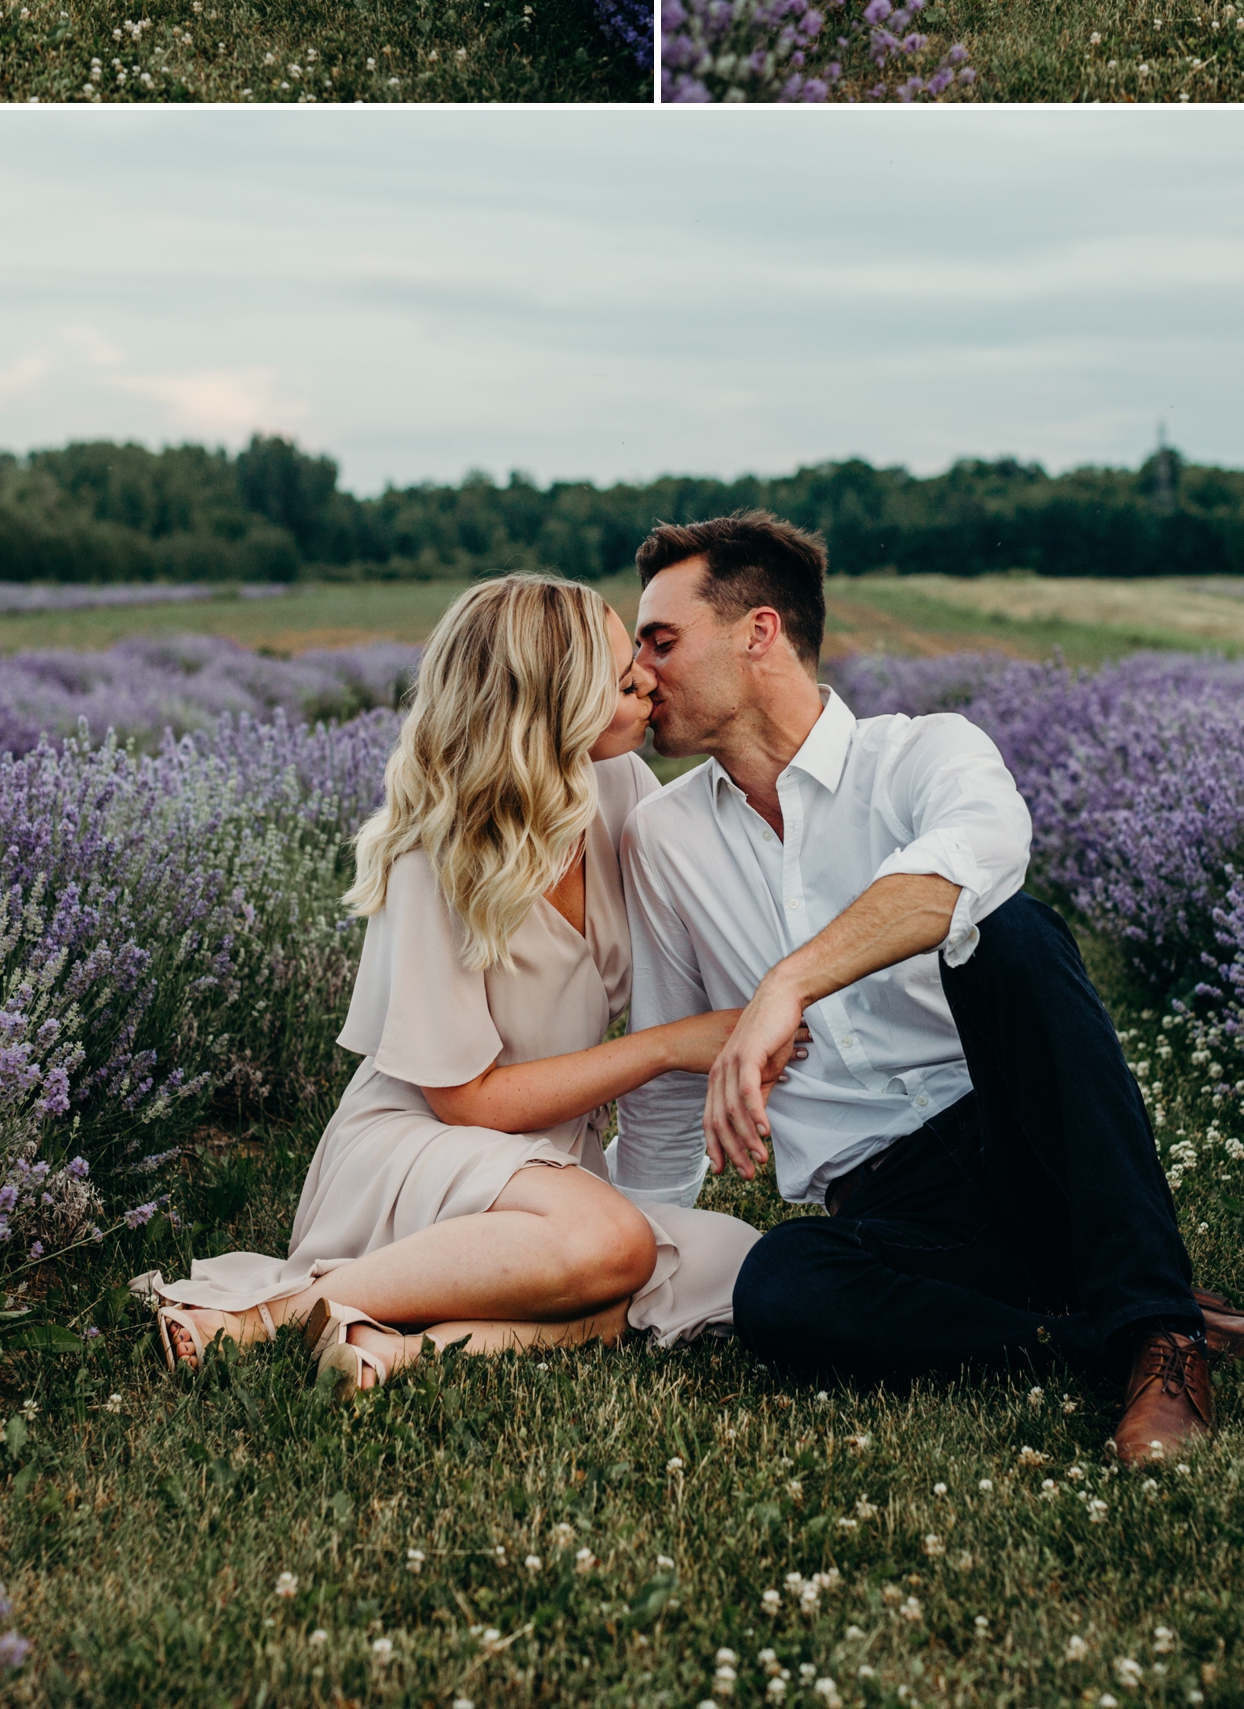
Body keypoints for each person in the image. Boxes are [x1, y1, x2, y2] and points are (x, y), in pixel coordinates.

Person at [612, 511, 1244, 1464]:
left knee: (1006, 932)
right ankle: (1126, 1332)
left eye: (662, 640)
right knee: (779, 1285)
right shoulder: (664, 834)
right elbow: (664, 1062)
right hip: (894, 1214)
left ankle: (1162, 1335)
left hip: (1035, 1152)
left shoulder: (919, 752)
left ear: (759, 631)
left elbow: (981, 851)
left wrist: (790, 982)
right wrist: (636, 1253)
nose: (642, 672)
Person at [133, 575, 771, 1392]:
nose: (648, 678)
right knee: (621, 1250)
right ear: (553, 707)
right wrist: (671, 1047)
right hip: (416, 1150)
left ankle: (393, 1348)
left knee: (734, 1259)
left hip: (548, 1165)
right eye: (620, 680)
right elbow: (465, 1099)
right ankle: (272, 1315)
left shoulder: (622, 792)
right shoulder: (437, 851)